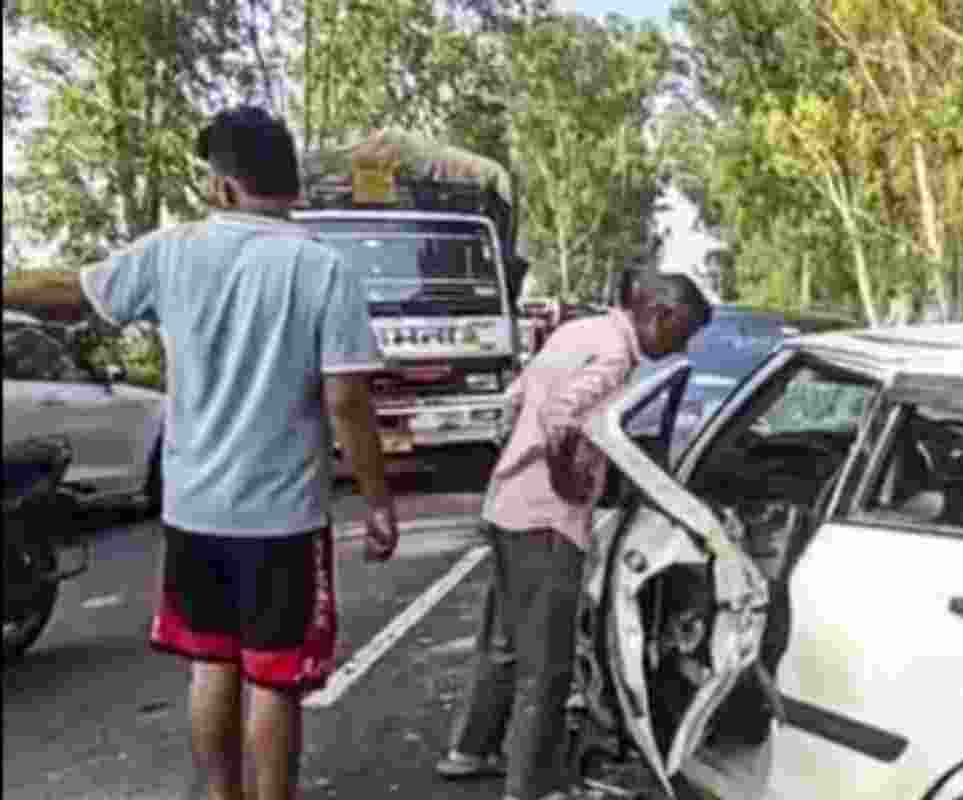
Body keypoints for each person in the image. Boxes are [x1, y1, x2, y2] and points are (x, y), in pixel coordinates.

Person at [3, 105, 399, 800]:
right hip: (281, 519)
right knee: (274, 682)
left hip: (194, 513)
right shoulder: (322, 269)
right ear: (291, 185)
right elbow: (347, 405)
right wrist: (377, 502)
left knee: (210, 669)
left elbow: (71, 287)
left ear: (221, 187)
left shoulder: (172, 250)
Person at [439, 272, 711, 799]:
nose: (684, 344)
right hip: (548, 519)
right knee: (547, 663)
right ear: (661, 314)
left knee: (504, 642)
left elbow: (516, 399)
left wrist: (517, 461)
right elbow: (557, 416)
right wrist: (567, 478)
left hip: (508, 504)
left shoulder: (577, 332)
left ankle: (471, 749)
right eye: (685, 331)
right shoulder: (613, 356)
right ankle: (532, 785)